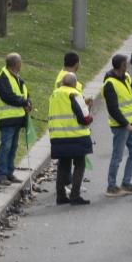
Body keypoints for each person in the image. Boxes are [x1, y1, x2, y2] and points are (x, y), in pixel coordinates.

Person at [48, 71, 94, 206]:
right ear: (74, 83)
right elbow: (84, 119)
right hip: (76, 136)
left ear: (63, 82)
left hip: (58, 136)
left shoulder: (54, 94)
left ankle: (60, 196)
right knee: (80, 164)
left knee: (63, 165)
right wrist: (89, 112)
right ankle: (75, 195)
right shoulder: (74, 93)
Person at [103, 53, 132, 196]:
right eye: (127, 64)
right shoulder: (110, 84)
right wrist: (126, 125)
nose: (128, 65)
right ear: (121, 66)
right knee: (117, 156)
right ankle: (111, 186)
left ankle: (126, 183)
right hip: (121, 126)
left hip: (130, 123)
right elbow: (113, 109)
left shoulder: (126, 77)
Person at [0, 52, 31, 186]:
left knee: (13, 147)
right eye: (20, 62)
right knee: (6, 146)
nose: (21, 64)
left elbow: (25, 94)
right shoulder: (2, 79)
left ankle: (9, 172)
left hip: (17, 119)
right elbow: (8, 96)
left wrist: (28, 102)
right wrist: (24, 102)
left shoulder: (18, 78)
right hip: (7, 119)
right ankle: (1, 174)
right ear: (15, 64)